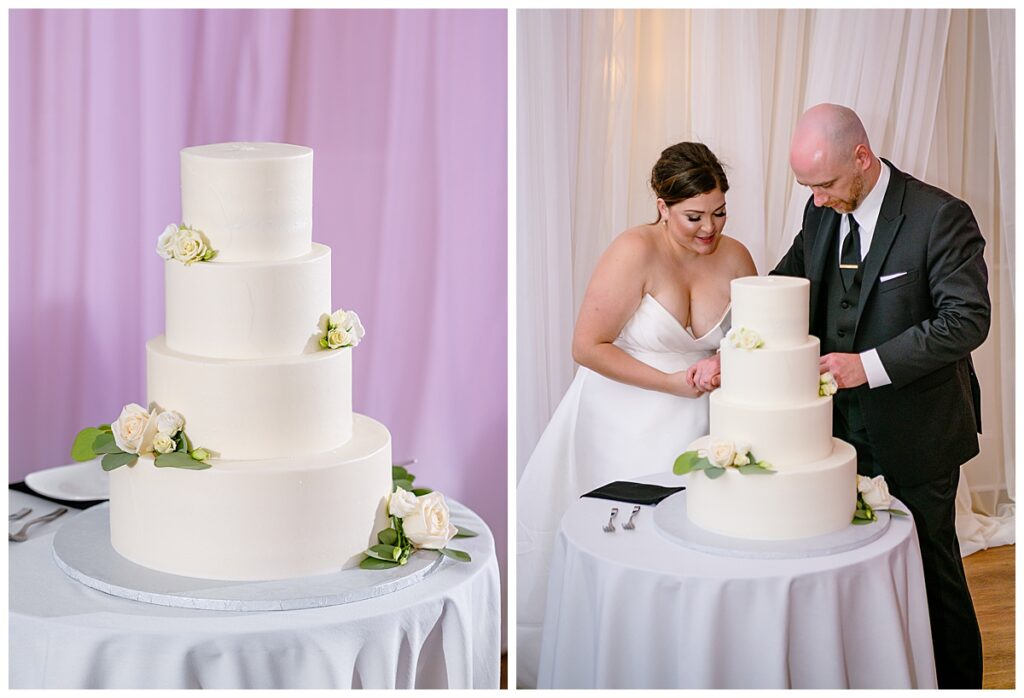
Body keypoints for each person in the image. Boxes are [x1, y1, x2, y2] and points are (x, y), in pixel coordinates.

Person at [695, 103, 988, 688]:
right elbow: (787, 280)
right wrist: (739, 342)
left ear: (861, 156)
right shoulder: (820, 210)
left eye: (825, 184)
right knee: (851, 568)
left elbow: (966, 320)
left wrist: (869, 365)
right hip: (834, 433)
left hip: (918, 432)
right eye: (808, 187)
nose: (818, 199)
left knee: (933, 571)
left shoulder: (939, 216)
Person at [516, 142, 756, 686]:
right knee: (629, 551)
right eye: (694, 216)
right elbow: (586, 346)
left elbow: (749, 341)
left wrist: (722, 363)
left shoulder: (738, 258)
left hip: (703, 428)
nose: (708, 229)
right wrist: (672, 382)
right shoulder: (633, 250)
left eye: (719, 213)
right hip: (620, 424)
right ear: (662, 203)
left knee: (695, 556)